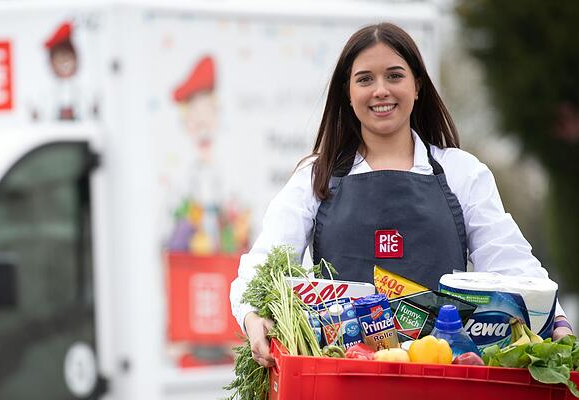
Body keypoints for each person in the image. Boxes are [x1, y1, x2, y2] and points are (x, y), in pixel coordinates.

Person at [229, 22, 574, 368]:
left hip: (445, 375)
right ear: (347, 92)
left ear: (417, 85)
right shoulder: (315, 176)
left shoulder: (462, 172)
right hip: (344, 376)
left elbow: (509, 261)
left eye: (394, 76)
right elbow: (266, 260)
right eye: (365, 79)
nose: (381, 90)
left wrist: (555, 320)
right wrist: (252, 315)